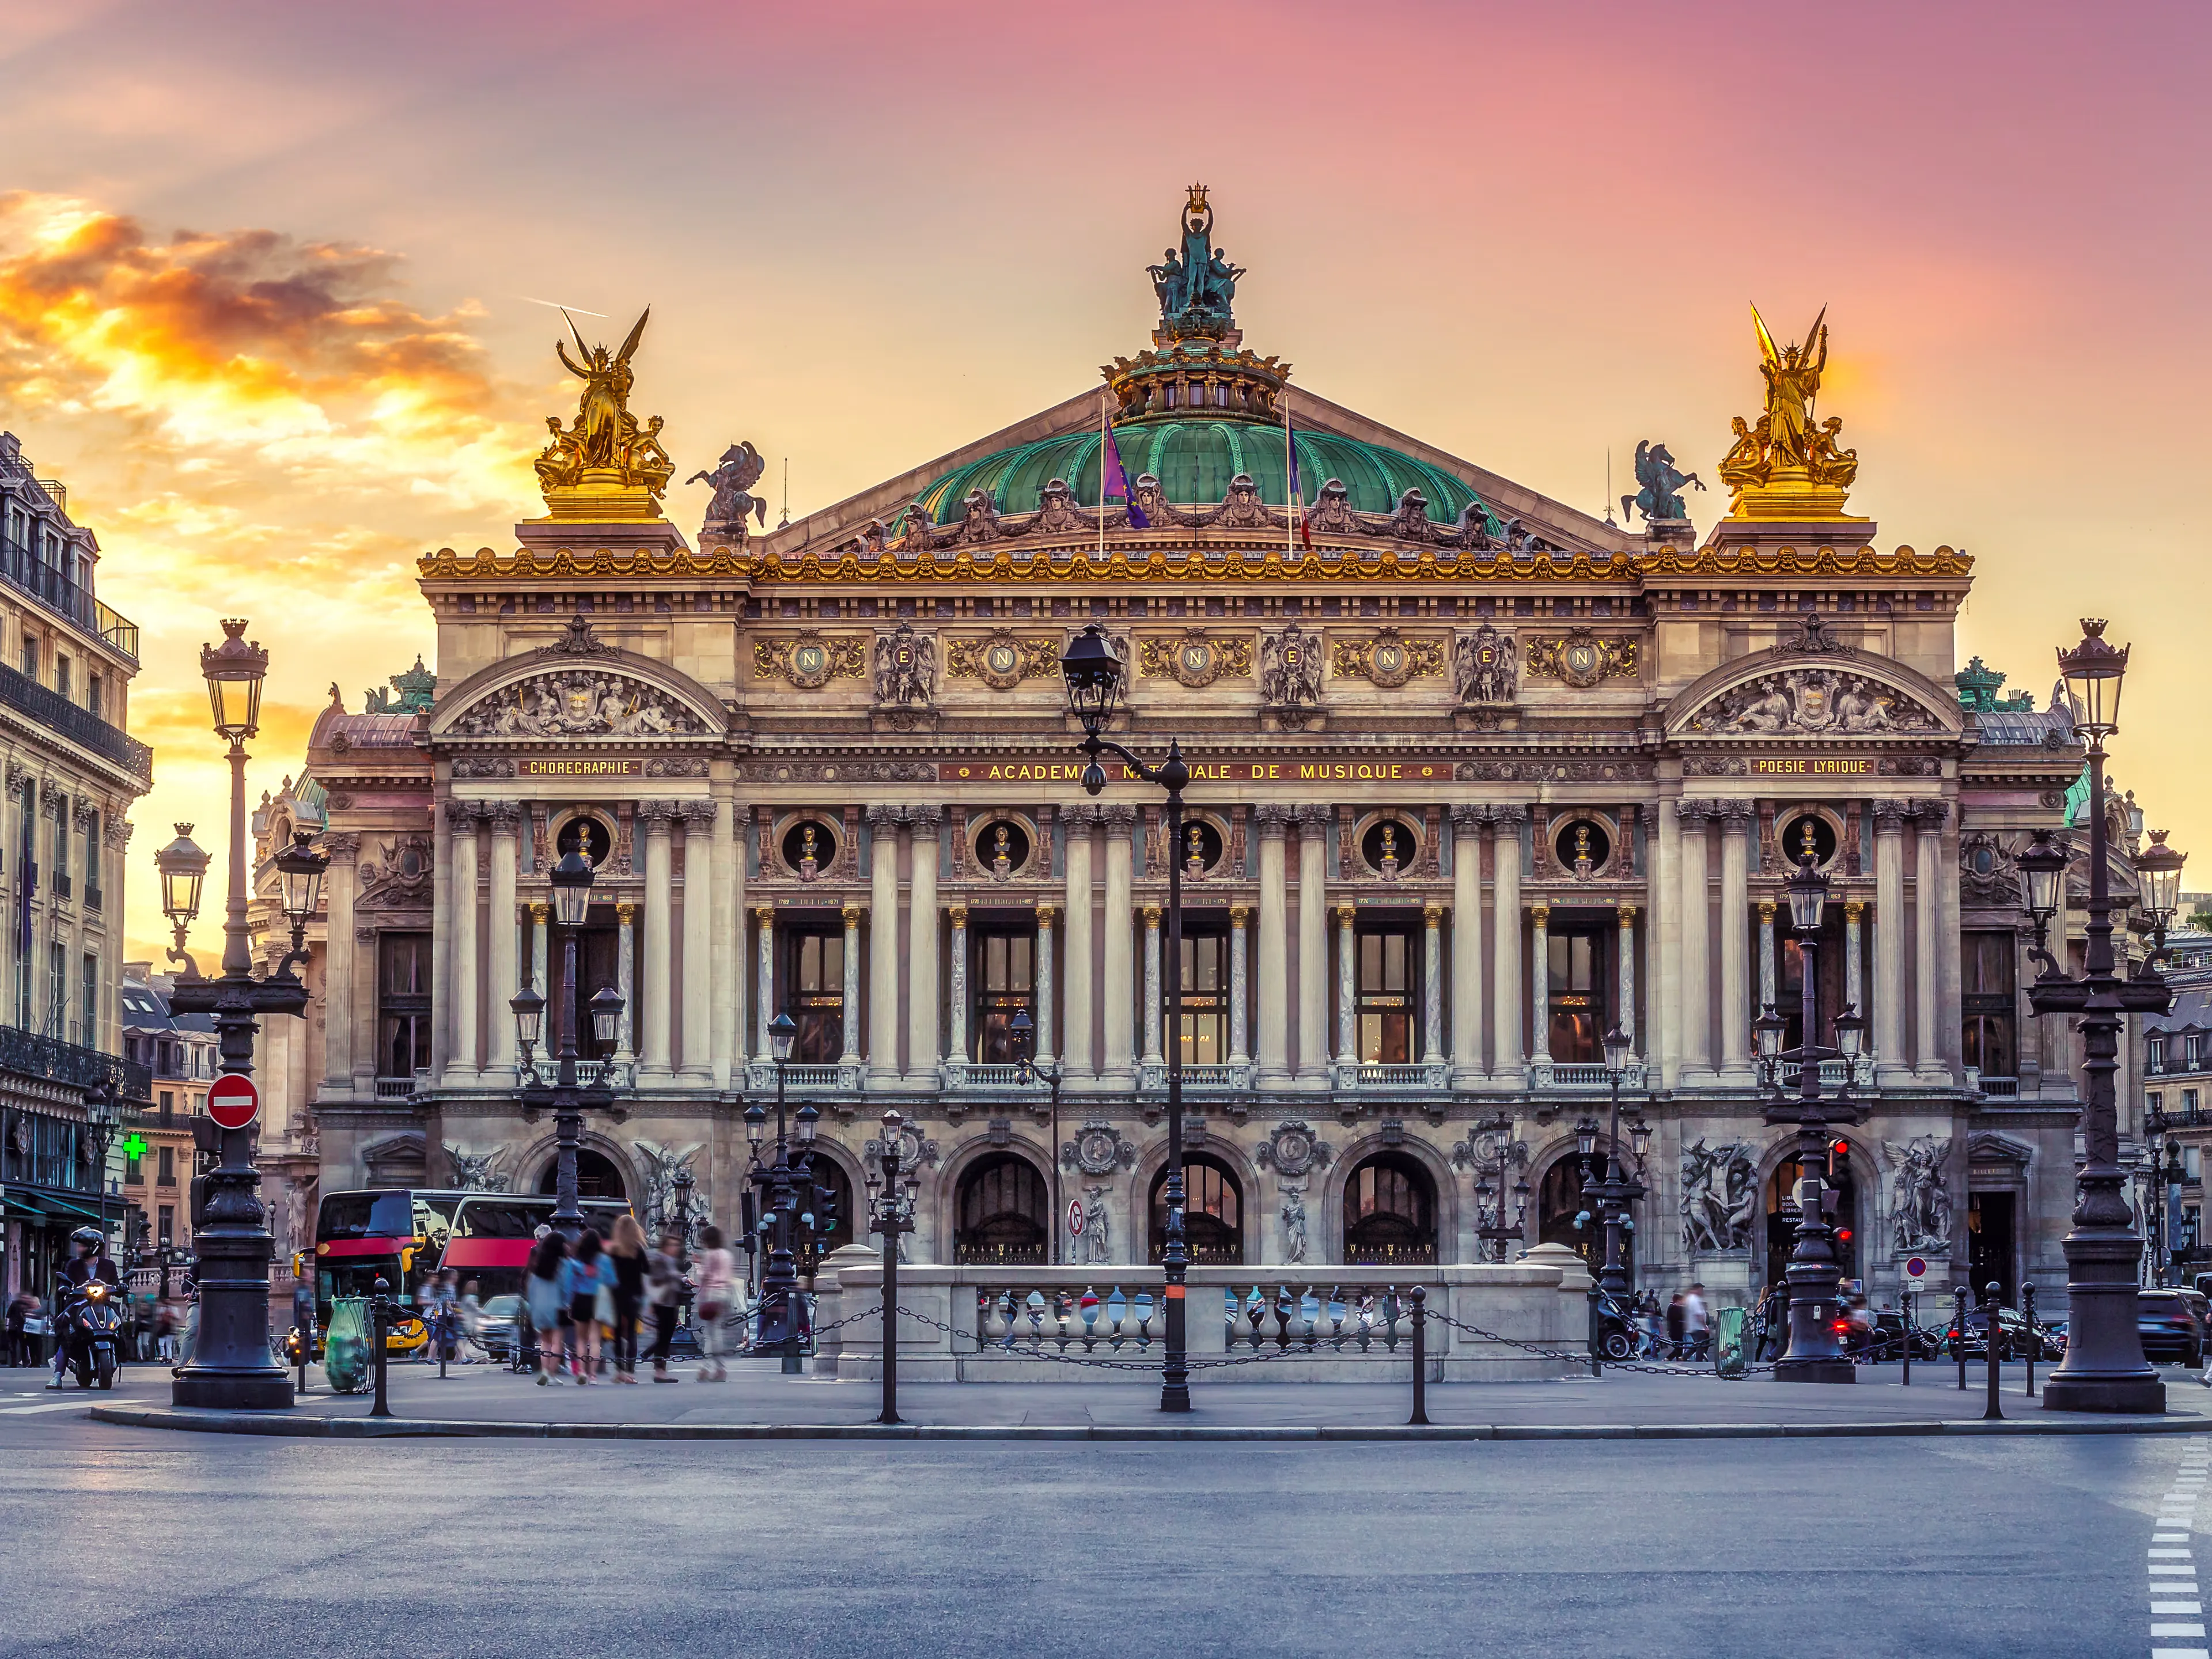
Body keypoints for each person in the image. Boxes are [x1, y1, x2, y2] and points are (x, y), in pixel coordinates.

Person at [50, 1226, 119, 1390]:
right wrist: (65, 1288)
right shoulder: (73, 1265)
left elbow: (116, 1283)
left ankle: (119, 1350)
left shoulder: (109, 1265)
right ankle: (57, 1376)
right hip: (78, 1304)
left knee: (117, 1320)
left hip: (102, 1303)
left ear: (93, 1246)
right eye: (79, 1245)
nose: (79, 1249)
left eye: (82, 1245)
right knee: (66, 1333)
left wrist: (121, 1286)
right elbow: (65, 1281)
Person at [693, 1225, 740, 1383]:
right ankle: (708, 1369)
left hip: (712, 1294)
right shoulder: (726, 1255)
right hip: (724, 1294)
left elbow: (704, 1276)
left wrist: (698, 1265)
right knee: (715, 1332)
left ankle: (715, 1368)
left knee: (712, 1334)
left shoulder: (710, 1254)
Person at [561, 1231, 609, 1385]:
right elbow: (612, 1281)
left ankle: (582, 1372)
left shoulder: (576, 1262)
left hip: (581, 1300)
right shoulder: (604, 1261)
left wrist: (568, 1303)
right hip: (598, 1301)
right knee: (595, 1340)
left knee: (581, 1339)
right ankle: (593, 1376)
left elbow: (570, 1285)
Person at [607, 1215, 648, 1383]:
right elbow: (647, 1269)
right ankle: (630, 1372)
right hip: (634, 1294)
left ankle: (619, 1372)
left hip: (616, 1294)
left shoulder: (613, 1249)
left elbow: (608, 1272)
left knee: (617, 1333)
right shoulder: (638, 1249)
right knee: (631, 1333)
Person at [524, 1230, 568, 1387]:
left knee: (545, 1341)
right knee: (557, 1341)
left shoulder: (537, 1268)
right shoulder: (562, 1266)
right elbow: (566, 1288)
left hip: (540, 1308)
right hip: (557, 1307)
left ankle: (543, 1373)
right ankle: (552, 1374)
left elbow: (531, 1288)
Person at [645, 1230, 687, 1382]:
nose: (675, 1248)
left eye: (677, 1245)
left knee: (666, 1337)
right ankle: (659, 1372)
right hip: (662, 1303)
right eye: (672, 1245)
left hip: (671, 1302)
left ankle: (660, 1368)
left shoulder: (671, 1260)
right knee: (663, 1337)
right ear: (665, 1246)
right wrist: (674, 1276)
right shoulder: (659, 1259)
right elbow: (656, 1279)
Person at [1683, 1282, 1710, 1362]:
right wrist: (1705, 1326)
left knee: (1698, 1345)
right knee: (1701, 1346)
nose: (1702, 1291)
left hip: (1693, 1326)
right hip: (1698, 1327)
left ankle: (1685, 1356)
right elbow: (1698, 1314)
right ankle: (1698, 1361)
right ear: (1698, 1289)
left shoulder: (1690, 1298)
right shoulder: (1695, 1299)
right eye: (1701, 1289)